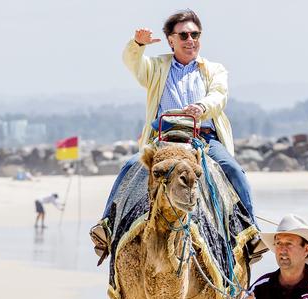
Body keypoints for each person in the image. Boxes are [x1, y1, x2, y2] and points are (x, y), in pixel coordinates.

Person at [104, 9, 257, 228]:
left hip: (203, 139)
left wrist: (202, 106)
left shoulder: (214, 69)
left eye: (195, 35)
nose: (190, 40)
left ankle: (250, 230)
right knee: (130, 166)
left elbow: (219, 95)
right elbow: (133, 63)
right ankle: (107, 225)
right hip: (164, 140)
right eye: (184, 35)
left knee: (232, 169)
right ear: (170, 40)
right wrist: (137, 44)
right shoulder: (156, 67)